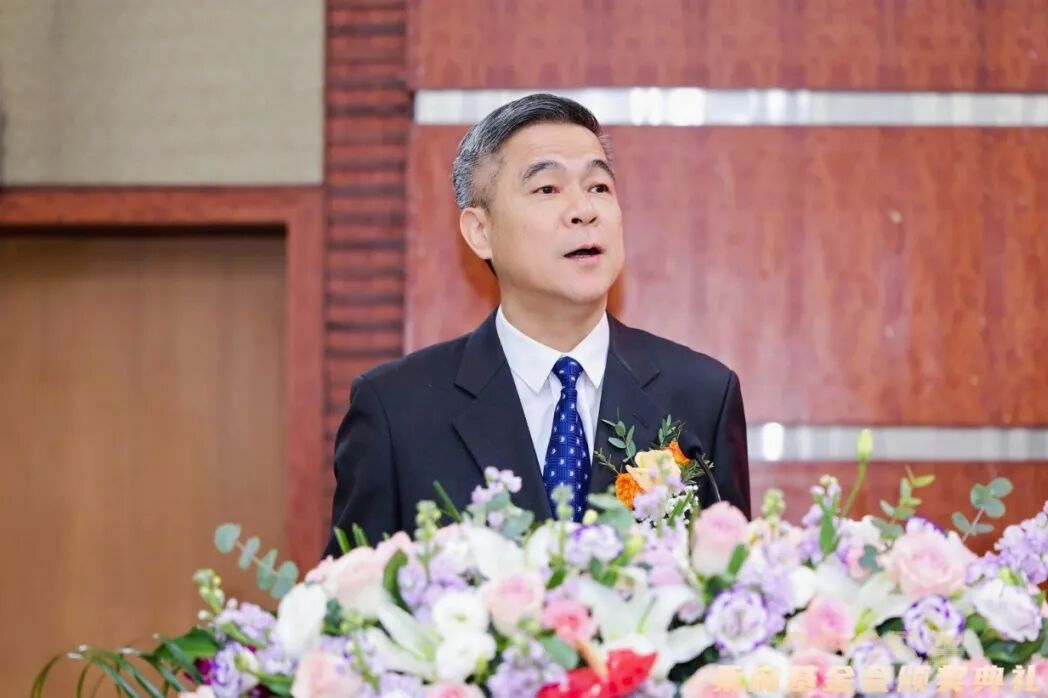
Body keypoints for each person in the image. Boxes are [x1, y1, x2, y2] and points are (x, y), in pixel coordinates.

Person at [323, 93, 750, 556]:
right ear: (480, 232)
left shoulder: (702, 396)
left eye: (599, 187)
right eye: (547, 189)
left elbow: (735, 585)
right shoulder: (396, 410)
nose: (584, 209)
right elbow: (354, 596)